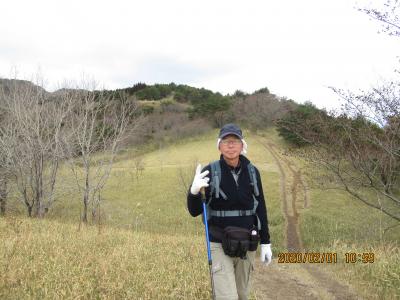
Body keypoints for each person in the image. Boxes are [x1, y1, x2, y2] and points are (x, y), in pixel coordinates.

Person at [187, 123, 272, 300]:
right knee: (228, 297)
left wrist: (266, 242)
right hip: (219, 243)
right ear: (219, 146)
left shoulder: (252, 172)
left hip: (247, 243)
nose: (231, 145)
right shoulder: (209, 172)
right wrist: (193, 191)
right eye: (226, 141)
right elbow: (194, 211)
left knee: (242, 294)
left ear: (242, 145)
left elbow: (261, 208)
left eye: (235, 141)